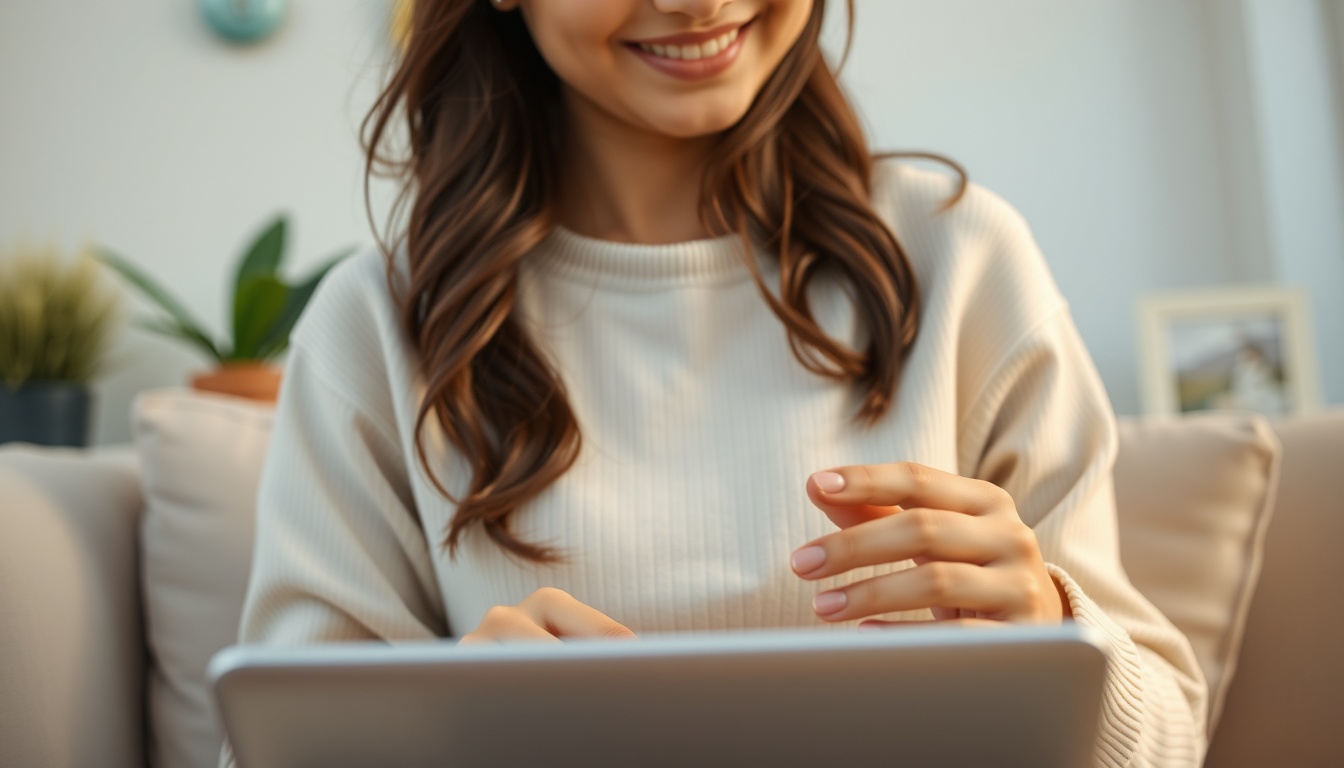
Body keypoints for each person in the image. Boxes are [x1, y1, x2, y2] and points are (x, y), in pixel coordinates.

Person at [233, 1, 1207, 766]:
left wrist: (1054, 627)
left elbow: (1168, 741)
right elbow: (269, 745)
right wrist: (442, 731)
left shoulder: (963, 259)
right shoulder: (376, 326)